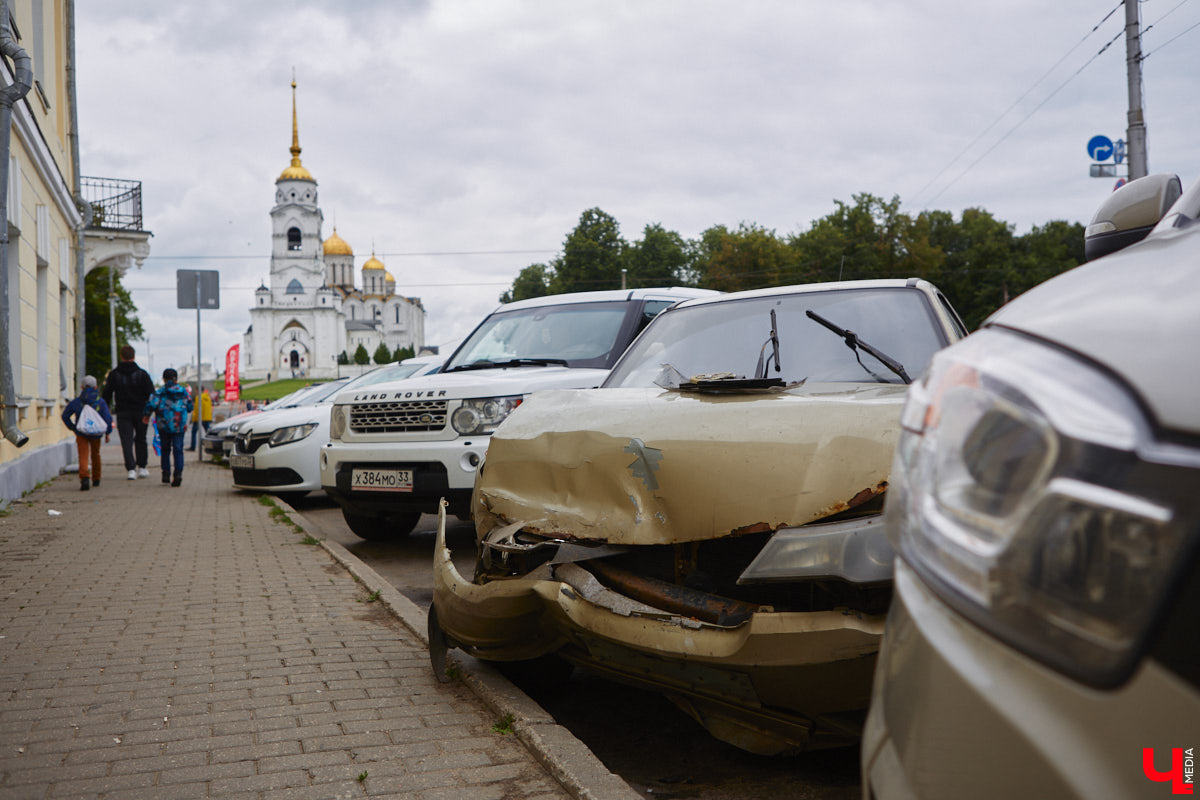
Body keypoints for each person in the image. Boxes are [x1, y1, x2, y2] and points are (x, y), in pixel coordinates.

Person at [102, 344, 155, 480]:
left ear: (121, 356)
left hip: (122, 411)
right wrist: (149, 412)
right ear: (134, 356)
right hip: (140, 411)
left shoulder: (114, 374)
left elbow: (107, 394)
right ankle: (142, 467)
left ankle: (131, 469)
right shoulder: (142, 374)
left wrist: (104, 410)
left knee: (126, 440)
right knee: (141, 438)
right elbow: (151, 395)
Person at [143, 368, 193, 487]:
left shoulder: (160, 392)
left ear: (164, 379)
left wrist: (146, 415)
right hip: (179, 425)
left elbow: (151, 404)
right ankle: (178, 474)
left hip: (163, 424)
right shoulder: (183, 391)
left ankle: (166, 473)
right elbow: (190, 406)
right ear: (176, 379)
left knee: (165, 449)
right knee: (178, 450)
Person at [62, 375, 113, 491]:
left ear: (81, 387)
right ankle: (96, 478)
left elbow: (65, 416)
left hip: (81, 433)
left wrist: (73, 428)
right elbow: (107, 418)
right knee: (96, 455)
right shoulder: (100, 402)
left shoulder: (77, 402)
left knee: (83, 455)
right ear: (95, 387)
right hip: (96, 433)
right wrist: (108, 432)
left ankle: (84, 477)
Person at [187, 386, 213, 450]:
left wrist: (194, 418)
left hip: (199, 418)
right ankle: (209, 447)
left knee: (194, 432)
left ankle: (193, 447)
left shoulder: (198, 398)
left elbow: (196, 409)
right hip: (207, 417)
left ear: (197, 390)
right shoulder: (208, 397)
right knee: (207, 433)